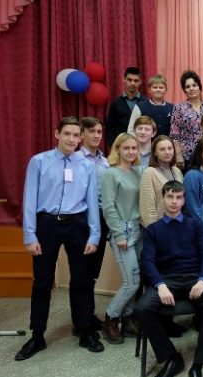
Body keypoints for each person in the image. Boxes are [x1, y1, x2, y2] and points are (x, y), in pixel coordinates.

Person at [15, 117, 103, 360]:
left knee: (82, 279)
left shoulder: (86, 165)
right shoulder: (39, 162)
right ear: (57, 134)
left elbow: (91, 201)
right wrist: (30, 235)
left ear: (81, 138)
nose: (72, 140)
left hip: (77, 224)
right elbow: (29, 199)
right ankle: (37, 335)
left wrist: (94, 235)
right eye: (67, 134)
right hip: (47, 224)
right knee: (43, 281)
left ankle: (84, 330)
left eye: (76, 135)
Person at [133, 180, 203, 377]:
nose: (174, 201)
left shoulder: (195, 225)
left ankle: (197, 367)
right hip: (167, 281)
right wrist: (160, 285)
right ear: (162, 199)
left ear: (183, 200)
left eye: (179, 197)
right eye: (170, 197)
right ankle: (172, 358)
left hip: (194, 279)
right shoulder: (153, 230)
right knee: (142, 308)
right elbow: (148, 262)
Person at [100, 133, 144, 343]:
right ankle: (110, 318)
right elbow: (108, 207)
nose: (131, 152)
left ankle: (128, 320)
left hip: (138, 229)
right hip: (122, 231)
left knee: (137, 277)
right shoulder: (111, 173)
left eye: (134, 148)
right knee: (131, 282)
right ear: (117, 149)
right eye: (126, 148)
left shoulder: (138, 171)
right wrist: (118, 234)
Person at [78, 117, 109, 331]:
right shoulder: (76, 159)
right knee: (83, 272)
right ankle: (82, 320)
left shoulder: (104, 160)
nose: (97, 135)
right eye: (92, 131)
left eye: (99, 131)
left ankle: (88, 315)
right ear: (82, 135)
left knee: (93, 272)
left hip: (102, 218)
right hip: (84, 219)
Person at [170, 70, 203, 169]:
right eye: (187, 87)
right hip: (187, 156)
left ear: (199, 86)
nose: (191, 89)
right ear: (184, 90)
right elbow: (174, 134)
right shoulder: (179, 108)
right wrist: (178, 155)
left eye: (194, 85)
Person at [139, 135, 184, 228]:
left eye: (170, 148)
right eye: (162, 149)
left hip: (177, 225)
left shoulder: (177, 171)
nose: (167, 152)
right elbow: (147, 209)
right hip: (159, 227)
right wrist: (155, 231)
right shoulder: (149, 172)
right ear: (155, 152)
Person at [106, 66, 142, 149]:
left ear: (140, 82)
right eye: (129, 80)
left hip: (140, 147)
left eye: (136, 80)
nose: (132, 83)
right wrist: (112, 145)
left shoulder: (145, 102)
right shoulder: (116, 103)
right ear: (124, 80)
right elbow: (110, 127)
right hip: (120, 146)